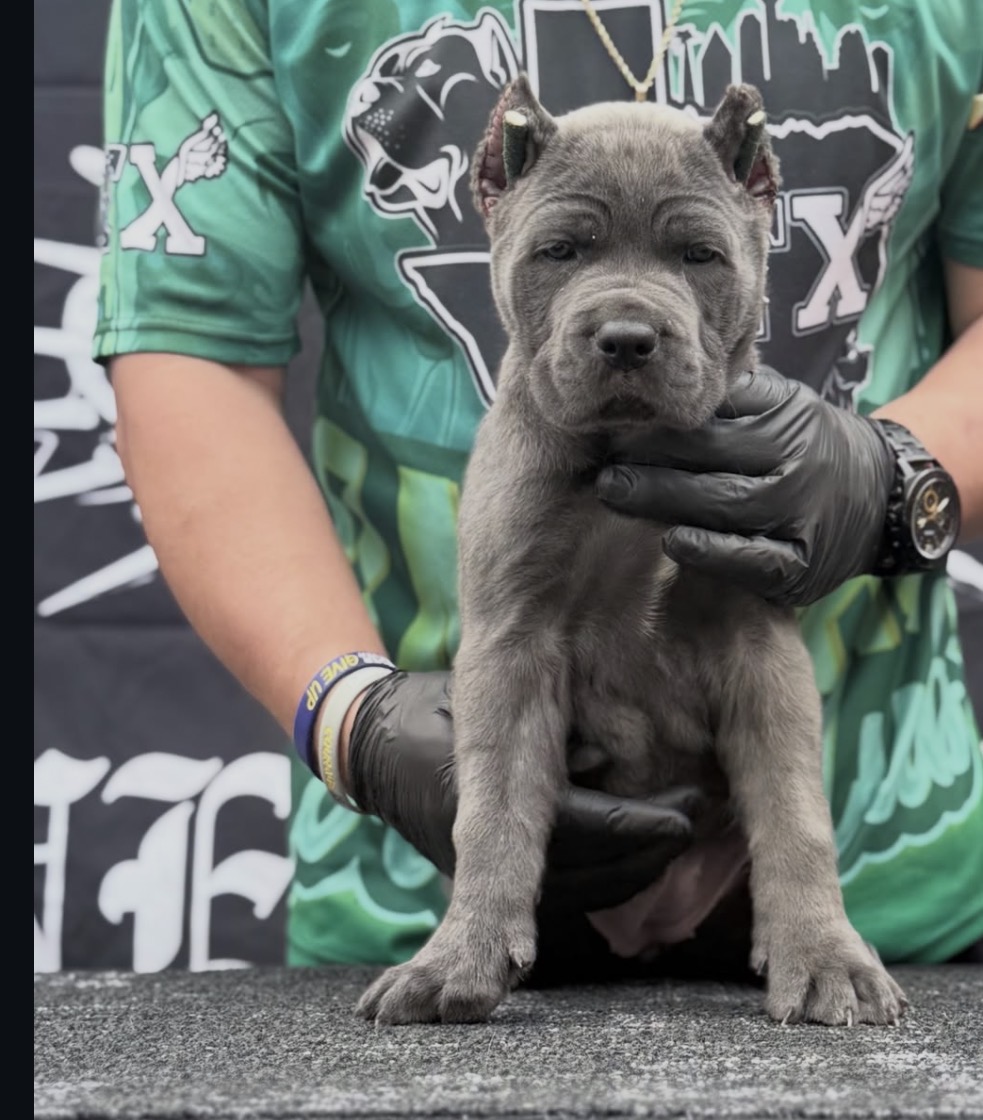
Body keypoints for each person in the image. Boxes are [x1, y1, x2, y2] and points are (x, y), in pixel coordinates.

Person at [94, 0, 983, 981]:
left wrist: (892, 478)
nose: (628, 318)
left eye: (693, 255)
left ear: (756, 189)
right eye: (564, 251)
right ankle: (476, 920)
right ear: (496, 190)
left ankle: (809, 915)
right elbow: (189, 357)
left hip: (891, 878)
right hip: (405, 889)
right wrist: (353, 720)